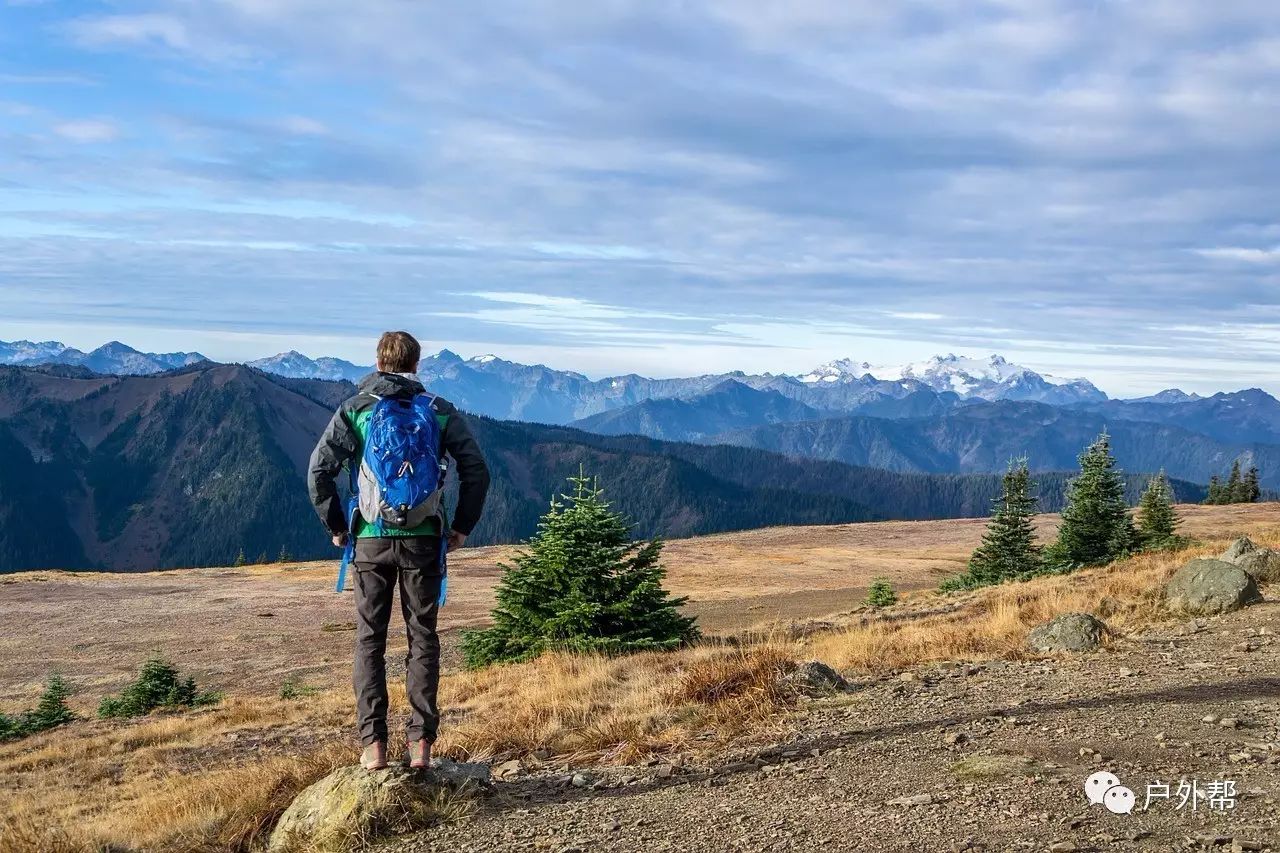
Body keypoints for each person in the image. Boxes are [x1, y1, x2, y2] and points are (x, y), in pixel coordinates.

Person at [307, 330, 490, 770]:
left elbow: (319, 472)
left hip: (369, 541)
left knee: (370, 640)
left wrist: (337, 527)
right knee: (422, 638)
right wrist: (462, 528)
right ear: (416, 364)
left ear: (378, 361)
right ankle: (421, 745)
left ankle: (373, 748)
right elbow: (476, 471)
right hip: (424, 540)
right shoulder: (439, 412)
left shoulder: (356, 410)